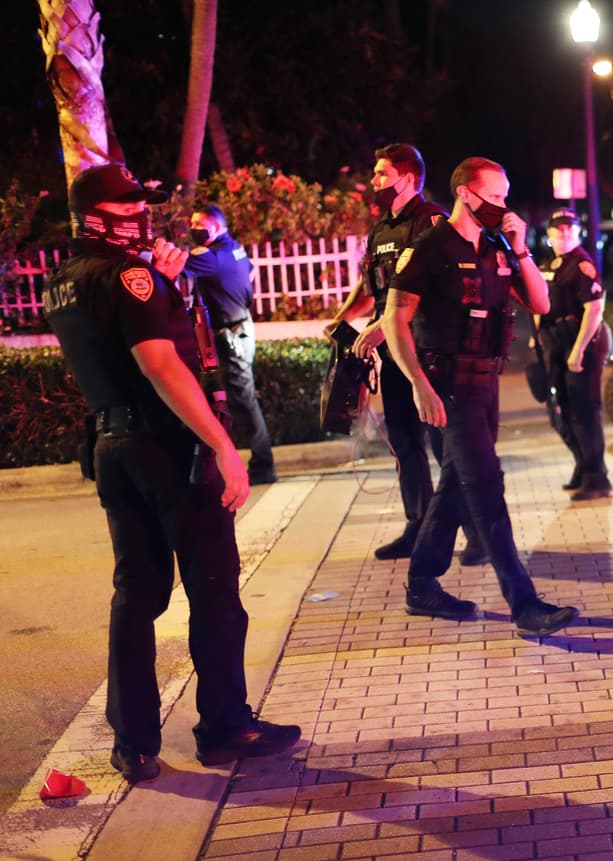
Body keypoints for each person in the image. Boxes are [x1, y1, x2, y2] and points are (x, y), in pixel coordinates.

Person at [42, 163, 300, 783]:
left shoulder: (64, 281)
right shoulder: (128, 275)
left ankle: (131, 741)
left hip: (111, 444)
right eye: (131, 205)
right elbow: (160, 364)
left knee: (137, 593)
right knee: (214, 589)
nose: (143, 215)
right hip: (167, 449)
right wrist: (223, 446)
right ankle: (225, 726)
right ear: (101, 216)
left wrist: (169, 286)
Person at [383, 156, 580, 636]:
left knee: (457, 482)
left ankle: (421, 583)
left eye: (505, 196)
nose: (502, 205)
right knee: (487, 488)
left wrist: (521, 248)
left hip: (485, 383)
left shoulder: (498, 246)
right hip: (449, 385)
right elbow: (395, 319)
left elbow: (540, 302)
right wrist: (419, 385)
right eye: (494, 197)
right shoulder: (431, 248)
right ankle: (524, 603)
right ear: (466, 194)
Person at [326, 143, 485, 564]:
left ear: (407, 178)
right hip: (392, 351)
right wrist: (342, 320)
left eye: (381, 174)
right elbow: (372, 289)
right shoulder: (381, 231)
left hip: (425, 351)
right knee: (404, 441)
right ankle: (418, 526)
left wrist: (380, 328)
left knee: (442, 443)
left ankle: (476, 533)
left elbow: (424, 290)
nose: (374, 182)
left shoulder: (431, 221)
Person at [182, 203, 275, 485]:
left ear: (217, 227)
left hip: (231, 335)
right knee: (211, 397)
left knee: (243, 402)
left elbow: (175, 266)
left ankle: (263, 465)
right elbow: (251, 269)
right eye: (192, 223)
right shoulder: (234, 248)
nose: (194, 229)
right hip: (238, 327)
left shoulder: (211, 256)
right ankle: (207, 465)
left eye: (200, 224)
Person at [540, 208, 611, 500]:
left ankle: (596, 477)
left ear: (578, 232)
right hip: (557, 344)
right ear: (549, 234)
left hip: (578, 344)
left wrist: (578, 351)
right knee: (561, 411)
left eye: (570, 229)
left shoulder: (582, 265)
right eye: (559, 229)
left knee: (584, 414)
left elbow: (594, 310)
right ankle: (583, 466)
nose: (564, 233)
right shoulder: (553, 264)